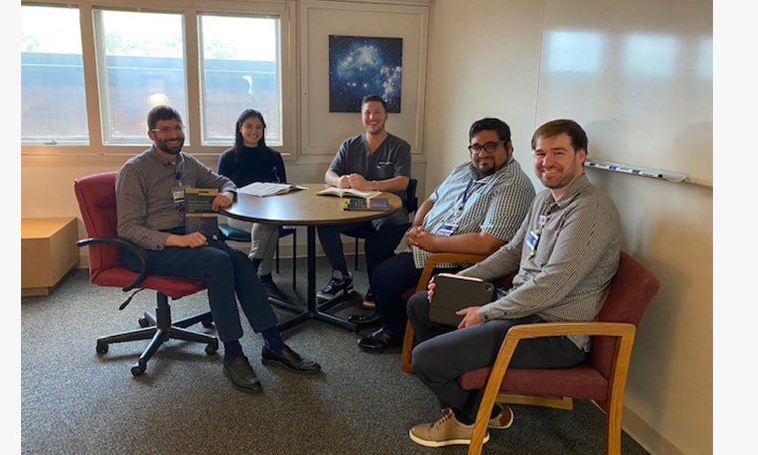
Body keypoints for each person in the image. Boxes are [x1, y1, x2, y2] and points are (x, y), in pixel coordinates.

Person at [405, 119, 622, 448]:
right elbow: (512, 252)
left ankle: (467, 419)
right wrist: (458, 279)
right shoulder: (544, 200)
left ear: (581, 156)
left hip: (552, 331)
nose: (547, 162)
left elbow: (551, 286)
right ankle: (479, 408)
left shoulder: (590, 211)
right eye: (540, 153)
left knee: (425, 359)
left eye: (558, 153)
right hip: (520, 308)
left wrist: (487, 312)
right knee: (422, 305)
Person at [116, 105, 320, 395]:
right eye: (166, 129)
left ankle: (273, 344)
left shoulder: (187, 162)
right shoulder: (135, 170)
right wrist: (177, 240)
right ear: (152, 134)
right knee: (219, 262)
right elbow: (127, 228)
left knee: (239, 260)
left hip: (190, 238)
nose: (174, 134)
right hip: (150, 248)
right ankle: (233, 354)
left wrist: (226, 193)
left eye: (178, 128)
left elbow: (225, 181)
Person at [356, 117, 536, 352]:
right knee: (375, 244)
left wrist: (433, 243)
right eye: (476, 147)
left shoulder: (513, 186)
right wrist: (416, 226)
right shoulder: (464, 170)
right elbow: (432, 200)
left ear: (509, 147)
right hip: (428, 235)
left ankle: (393, 330)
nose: (482, 154)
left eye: (490, 146)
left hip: (453, 256)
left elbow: (488, 243)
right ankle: (385, 311)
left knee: (385, 276)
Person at [316, 95, 413, 307]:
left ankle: (378, 284)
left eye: (377, 112)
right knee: (324, 223)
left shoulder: (399, 146)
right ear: (361, 116)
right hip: (356, 207)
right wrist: (338, 181)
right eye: (367, 112)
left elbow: (403, 182)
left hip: (386, 207)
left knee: (387, 226)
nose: (372, 117)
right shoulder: (349, 145)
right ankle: (341, 276)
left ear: (386, 116)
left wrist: (371, 185)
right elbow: (329, 174)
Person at [217, 109, 289, 301]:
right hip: (239, 215)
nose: (254, 131)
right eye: (249, 126)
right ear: (240, 129)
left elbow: (283, 186)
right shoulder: (228, 157)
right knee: (270, 226)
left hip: (269, 212)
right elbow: (220, 190)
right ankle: (263, 276)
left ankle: (253, 267)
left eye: (258, 127)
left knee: (268, 223)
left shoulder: (273, 156)